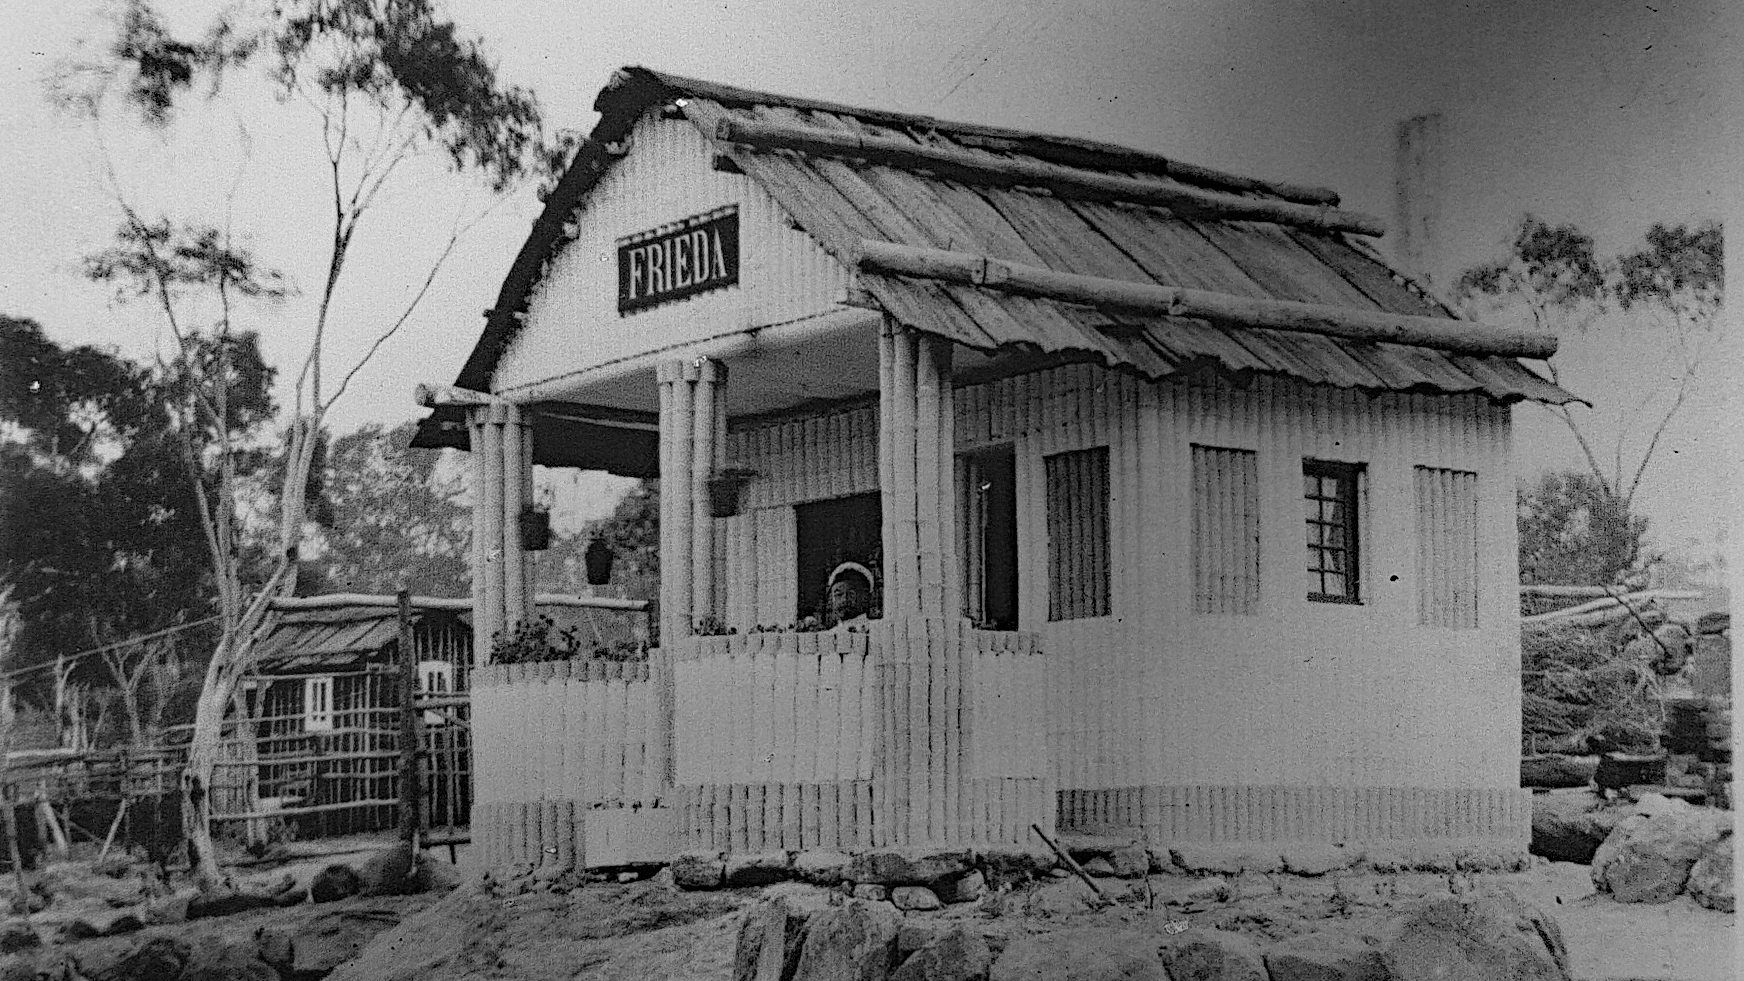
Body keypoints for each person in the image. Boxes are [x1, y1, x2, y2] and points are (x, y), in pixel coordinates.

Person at [826, 562, 874, 629]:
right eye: (838, 595)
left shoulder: (877, 630)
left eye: (851, 594)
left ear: (865, 597)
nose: (844, 599)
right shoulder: (829, 636)